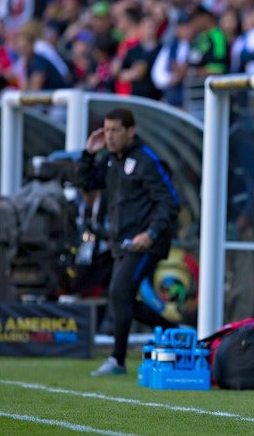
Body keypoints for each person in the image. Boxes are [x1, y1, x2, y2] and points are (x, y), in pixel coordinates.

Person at [77, 108, 180, 376]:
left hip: (146, 242)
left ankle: (117, 360)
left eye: (115, 130)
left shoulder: (147, 161)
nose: (109, 136)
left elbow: (170, 202)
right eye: (107, 130)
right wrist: (89, 153)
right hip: (121, 243)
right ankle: (175, 333)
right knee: (124, 300)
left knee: (119, 292)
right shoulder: (111, 160)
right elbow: (85, 182)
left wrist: (151, 234)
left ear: (130, 131)